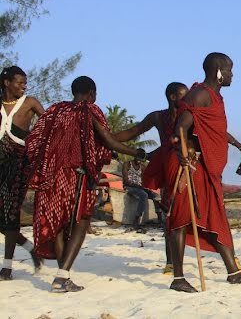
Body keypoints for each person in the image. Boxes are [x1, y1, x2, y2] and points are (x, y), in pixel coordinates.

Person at [26, 76, 148, 292]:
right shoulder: (89, 111)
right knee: (81, 221)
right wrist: (137, 152)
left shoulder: (55, 111)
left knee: (61, 225)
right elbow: (107, 140)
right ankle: (62, 278)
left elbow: (34, 139)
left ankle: (63, 276)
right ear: (91, 93)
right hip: (77, 176)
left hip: (52, 177)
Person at [164, 52, 241, 293]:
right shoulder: (200, 95)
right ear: (218, 71)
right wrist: (183, 154)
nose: (231, 75)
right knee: (180, 219)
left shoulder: (215, 97)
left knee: (216, 216)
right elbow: (181, 129)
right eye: (229, 70)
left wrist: (239, 145)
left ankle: (234, 272)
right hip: (191, 166)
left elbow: (215, 131)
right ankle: (178, 278)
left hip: (207, 169)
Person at [113, 82, 186, 274]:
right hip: (168, 169)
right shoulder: (158, 117)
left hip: (186, 169)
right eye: (182, 95)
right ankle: (171, 262)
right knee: (170, 216)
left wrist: (237, 144)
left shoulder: (188, 116)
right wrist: (107, 137)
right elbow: (132, 132)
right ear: (172, 97)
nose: (186, 99)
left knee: (186, 215)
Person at [0, 66, 45, 280]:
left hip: (19, 164)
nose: (23, 86)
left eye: (25, 83)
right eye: (19, 82)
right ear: (7, 82)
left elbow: (49, 125)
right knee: (3, 221)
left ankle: (7, 268)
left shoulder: (30, 102)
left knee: (11, 215)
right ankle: (31, 248)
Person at [122, 158, 162, 233]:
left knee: (156, 196)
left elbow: (145, 179)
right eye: (138, 157)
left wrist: (146, 186)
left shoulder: (142, 167)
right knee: (144, 195)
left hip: (140, 188)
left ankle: (160, 220)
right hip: (129, 187)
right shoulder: (127, 164)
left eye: (141, 158)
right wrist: (138, 186)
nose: (139, 160)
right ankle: (136, 220)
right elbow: (126, 181)